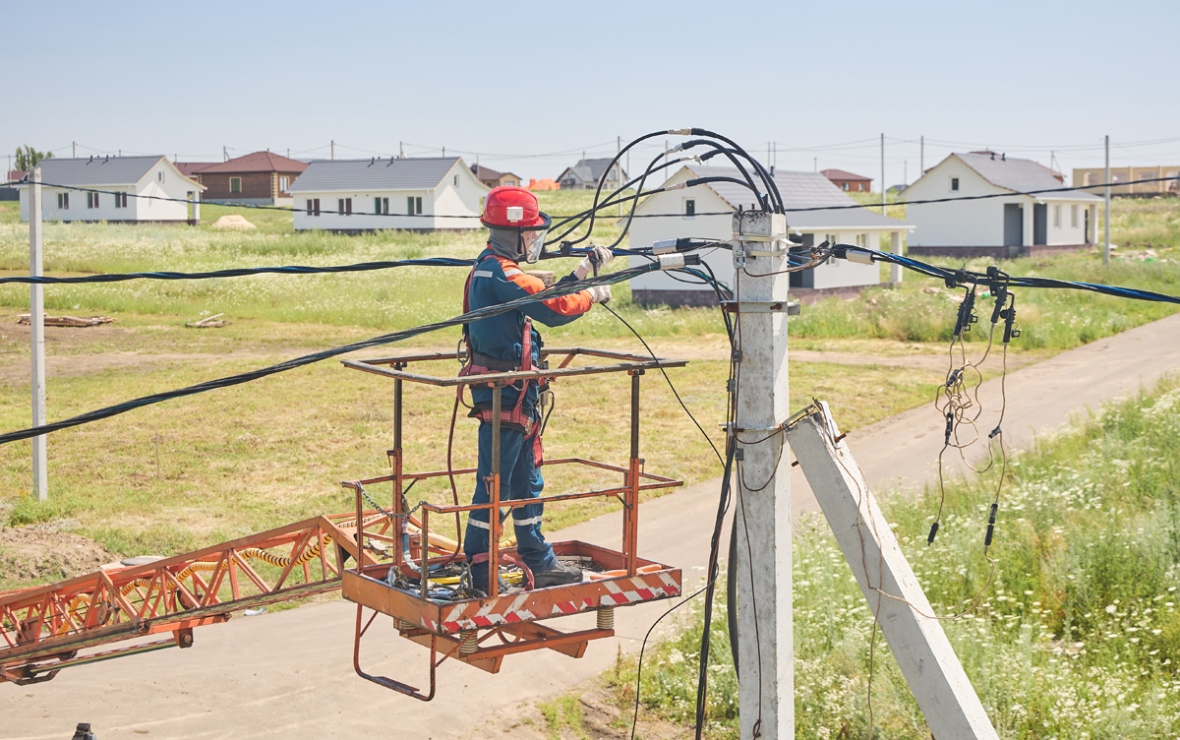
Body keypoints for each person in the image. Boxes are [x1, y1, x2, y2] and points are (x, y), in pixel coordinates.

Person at [460, 186, 612, 595]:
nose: (535, 242)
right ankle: (478, 569)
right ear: (514, 235)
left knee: (526, 480)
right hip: (504, 394)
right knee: (493, 484)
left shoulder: (496, 268)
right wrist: (592, 295)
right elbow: (549, 308)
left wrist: (581, 272)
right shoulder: (500, 271)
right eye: (531, 234)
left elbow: (541, 294)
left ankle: (537, 560)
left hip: (518, 394)